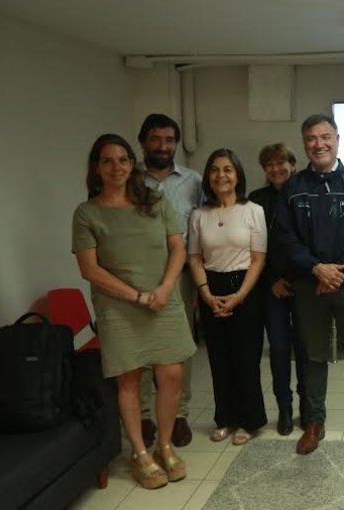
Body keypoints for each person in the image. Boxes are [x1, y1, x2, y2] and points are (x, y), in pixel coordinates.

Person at [73, 134, 196, 489]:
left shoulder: (154, 202)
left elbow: (177, 247)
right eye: (108, 161)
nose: (117, 167)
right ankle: (140, 453)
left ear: (133, 164)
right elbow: (90, 270)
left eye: (123, 160)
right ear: (96, 167)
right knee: (129, 380)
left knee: (171, 374)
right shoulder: (87, 213)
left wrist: (163, 288)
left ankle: (166, 444)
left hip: (163, 299)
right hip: (119, 307)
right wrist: (137, 296)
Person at [276, 113, 344, 456]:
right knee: (314, 356)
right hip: (309, 286)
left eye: (325, 137)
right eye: (311, 138)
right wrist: (316, 269)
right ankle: (314, 422)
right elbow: (286, 239)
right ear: (304, 143)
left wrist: (337, 272)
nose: (318, 144)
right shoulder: (293, 187)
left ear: (337, 139)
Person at [188, 148, 267, 446]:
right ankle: (225, 419)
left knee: (246, 359)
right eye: (215, 170)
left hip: (245, 286)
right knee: (218, 360)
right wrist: (206, 295)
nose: (221, 175)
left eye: (228, 169)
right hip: (211, 288)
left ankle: (250, 420)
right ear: (208, 177)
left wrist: (239, 296)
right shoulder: (199, 215)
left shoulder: (253, 211)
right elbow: (194, 258)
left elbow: (258, 259)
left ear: (237, 175)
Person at [136, 113, 202, 448]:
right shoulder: (129, 180)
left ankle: (179, 414)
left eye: (169, 140)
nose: (163, 146)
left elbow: (202, 227)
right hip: (138, 275)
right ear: (143, 142)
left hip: (181, 277)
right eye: (156, 139)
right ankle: (145, 413)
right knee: (143, 345)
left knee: (179, 345)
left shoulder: (193, 180)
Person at [248, 142, 308, 436]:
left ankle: (308, 408)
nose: (276, 168)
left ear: (293, 164)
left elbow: (312, 241)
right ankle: (285, 407)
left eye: (281, 162)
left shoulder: (305, 192)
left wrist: (300, 278)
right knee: (280, 349)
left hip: (305, 284)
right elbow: (254, 246)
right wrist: (273, 279)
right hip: (271, 287)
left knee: (306, 349)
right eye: (269, 164)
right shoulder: (255, 200)